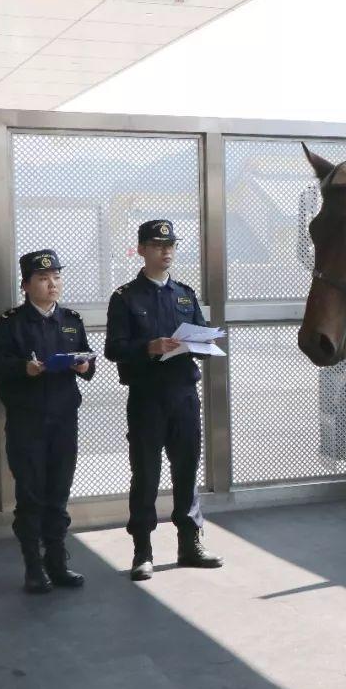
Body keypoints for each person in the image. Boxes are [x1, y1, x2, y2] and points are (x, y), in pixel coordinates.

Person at [105, 219, 222, 581]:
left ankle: (190, 544)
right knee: (146, 474)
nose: (166, 251)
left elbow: (203, 337)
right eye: (157, 245)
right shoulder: (125, 297)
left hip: (184, 395)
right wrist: (148, 347)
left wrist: (199, 344)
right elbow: (113, 349)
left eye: (170, 245)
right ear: (141, 250)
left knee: (186, 470)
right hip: (147, 398)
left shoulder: (184, 294)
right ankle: (143, 550)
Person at [0, 249, 94, 594]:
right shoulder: (10, 323)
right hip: (27, 423)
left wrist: (84, 366)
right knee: (31, 496)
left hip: (64, 420)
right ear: (26, 284)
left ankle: (57, 562)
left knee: (58, 494)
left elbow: (89, 363)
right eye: (44, 278)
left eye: (57, 277)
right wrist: (24, 368)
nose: (52, 284)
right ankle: (33, 565)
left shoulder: (71, 319)